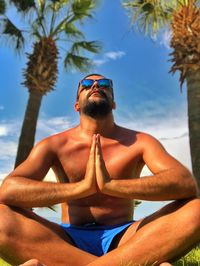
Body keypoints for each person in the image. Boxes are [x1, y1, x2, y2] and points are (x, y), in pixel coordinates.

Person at [0, 73, 199, 266]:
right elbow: (8, 190)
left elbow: (184, 183)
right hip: (66, 239)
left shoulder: (140, 142)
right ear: (76, 105)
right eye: (86, 85)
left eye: (104, 84)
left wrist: (111, 185)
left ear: (113, 103)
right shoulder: (53, 145)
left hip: (127, 239)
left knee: (196, 209)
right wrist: (82, 188)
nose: (95, 86)